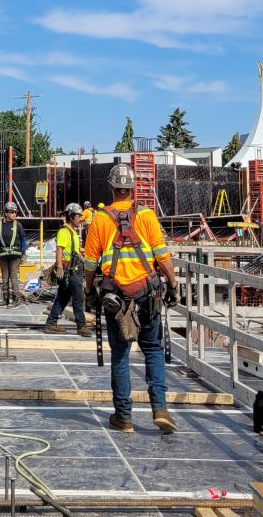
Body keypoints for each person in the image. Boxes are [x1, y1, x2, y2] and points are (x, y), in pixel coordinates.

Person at [82, 163, 180, 434]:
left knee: (121, 356)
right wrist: (172, 285)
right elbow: (162, 255)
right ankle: (160, 409)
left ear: (112, 188)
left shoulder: (100, 219)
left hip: (116, 297)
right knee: (152, 350)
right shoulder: (146, 216)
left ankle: (124, 417)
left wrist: (89, 292)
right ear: (132, 189)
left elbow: (90, 263)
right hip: (148, 294)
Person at [44, 203, 92, 337]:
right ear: (71, 216)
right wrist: (59, 267)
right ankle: (81, 326)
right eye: (78, 216)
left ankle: (51, 324)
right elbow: (59, 250)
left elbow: (75, 252)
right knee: (78, 299)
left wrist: (87, 262)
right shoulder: (64, 231)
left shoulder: (72, 232)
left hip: (72, 269)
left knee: (62, 298)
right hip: (69, 271)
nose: (80, 219)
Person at [0, 202, 26, 306]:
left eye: (15, 212)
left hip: (15, 255)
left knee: (13, 276)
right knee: (5, 277)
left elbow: (23, 240)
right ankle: (5, 298)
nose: (14, 214)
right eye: (12, 212)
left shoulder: (18, 225)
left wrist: (24, 254)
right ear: (6, 213)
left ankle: (16, 298)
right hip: (3, 254)